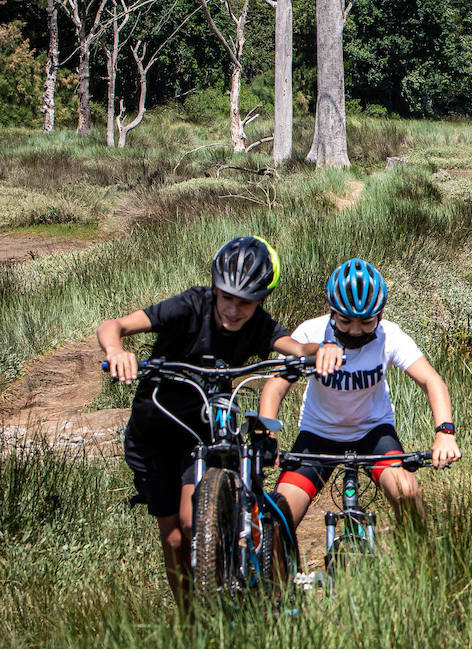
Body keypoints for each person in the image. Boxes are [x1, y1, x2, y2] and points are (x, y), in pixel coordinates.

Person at [98, 236, 342, 608]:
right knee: (174, 540)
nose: (233, 309)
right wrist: (117, 351)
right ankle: (190, 622)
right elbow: (113, 326)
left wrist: (323, 350)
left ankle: (226, 590)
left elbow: (295, 348)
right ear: (214, 287)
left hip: (201, 434)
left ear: (261, 300)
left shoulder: (258, 325)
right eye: (226, 297)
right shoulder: (189, 307)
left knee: (193, 522)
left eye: (245, 302)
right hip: (154, 431)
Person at [259, 257, 459, 532]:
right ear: (331, 311)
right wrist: (266, 434)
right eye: (345, 321)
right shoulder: (310, 333)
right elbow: (275, 386)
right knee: (278, 518)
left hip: (373, 433)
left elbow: (431, 380)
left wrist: (445, 433)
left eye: (366, 322)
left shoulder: (390, 336)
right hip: (318, 434)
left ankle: (418, 557)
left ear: (380, 314)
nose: (355, 331)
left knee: (407, 492)